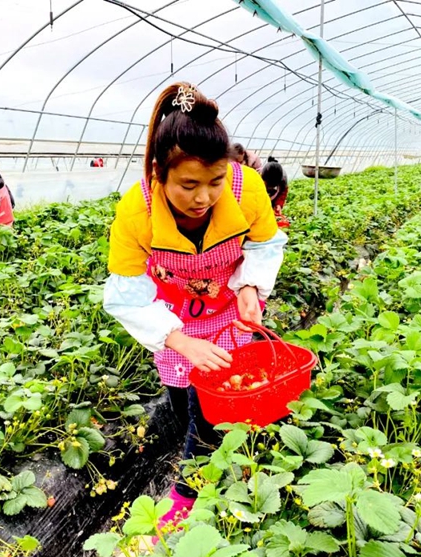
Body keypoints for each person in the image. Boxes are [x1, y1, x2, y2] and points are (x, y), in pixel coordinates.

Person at [103, 82, 287, 529]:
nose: (204, 197)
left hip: (225, 306)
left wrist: (249, 288)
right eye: (188, 184)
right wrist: (177, 338)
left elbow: (265, 245)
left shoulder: (247, 190)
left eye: (215, 181)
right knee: (184, 393)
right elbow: (126, 292)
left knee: (211, 408)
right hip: (170, 312)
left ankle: (187, 495)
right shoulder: (136, 211)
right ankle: (208, 445)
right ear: (158, 174)